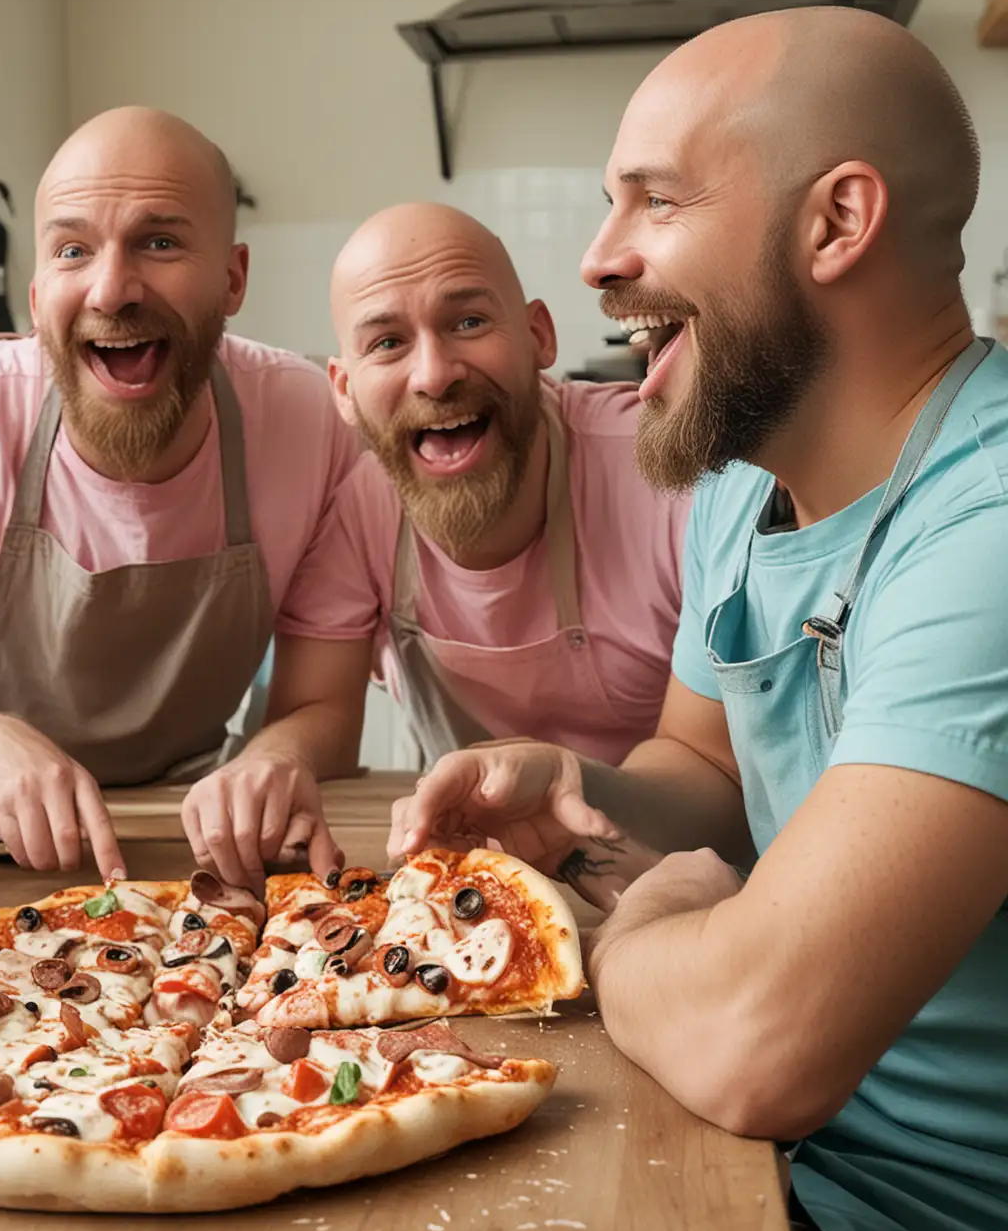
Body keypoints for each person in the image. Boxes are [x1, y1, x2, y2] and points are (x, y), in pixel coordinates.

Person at [391, 7, 1008, 1231]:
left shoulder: (992, 526)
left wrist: (637, 932)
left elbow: (755, 1042)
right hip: (776, 1164)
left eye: (653, 204)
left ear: (837, 225)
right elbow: (709, 764)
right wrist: (576, 787)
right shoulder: (739, 483)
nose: (600, 261)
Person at [0, 107, 360, 885]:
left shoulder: (310, 421)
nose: (112, 289)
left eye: (159, 242)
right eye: (74, 249)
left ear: (233, 278)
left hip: (190, 838)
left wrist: (276, 758)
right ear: (39, 287)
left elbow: (326, 707)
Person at [181, 202, 691, 895]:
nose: (434, 374)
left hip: (678, 877)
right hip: (474, 889)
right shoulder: (358, 506)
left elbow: (719, 768)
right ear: (344, 392)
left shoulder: (661, 477)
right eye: (387, 343)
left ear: (539, 335)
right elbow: (317, 709)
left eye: (469, 323)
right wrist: (271, 760)